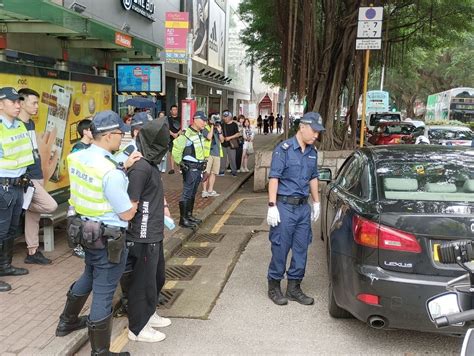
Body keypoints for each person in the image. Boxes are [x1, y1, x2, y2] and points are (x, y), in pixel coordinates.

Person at [55, 110, 140, 356]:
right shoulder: (110, 172)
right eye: (119, 135)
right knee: (103, 291)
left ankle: (67, 321)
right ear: (108, 136)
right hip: (108, 238)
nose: (121, 139)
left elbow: (96, 176)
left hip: (85, 231)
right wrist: (134, 200)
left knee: (89, 275)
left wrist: (123, 164)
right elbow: (126, 214)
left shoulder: (79, 157)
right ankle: (100, 351)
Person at [266, 112, 325, 306]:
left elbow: (313, 178)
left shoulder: (312, 152)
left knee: (301, 249)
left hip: (302, 208)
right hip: (284, 206)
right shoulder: (283, 150)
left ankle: (294, 287)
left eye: (318, 132)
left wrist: (316, 202)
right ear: (302, 127)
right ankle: (274, 286)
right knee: (281, 247)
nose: (316, 135)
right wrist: (272, 205)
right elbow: (274, 178)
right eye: (314, 131)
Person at [124, 118, 172, 343]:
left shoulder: (149, 164)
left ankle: (149, 313)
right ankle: (137, 328)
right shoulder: (141, 167)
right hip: (142, 234)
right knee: (142, 281)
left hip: (153, 230)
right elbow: (131, 204)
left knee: (156, 277)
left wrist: (163, 209)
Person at [0, 87, 34, 292]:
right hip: (2, 185)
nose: (17, 105)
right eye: (13, 101)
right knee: (0, 231)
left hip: (18, 185)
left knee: (11, 229)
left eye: (18, 101)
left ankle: (5, 266)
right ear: (1, 104)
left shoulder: (19, 126)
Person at [18, 88, 58, 265]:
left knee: (33, 217)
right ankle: (22, 206)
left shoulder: (31, 124)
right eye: (33, 103)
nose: (36, 107)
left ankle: (32, 252)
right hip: (26, 177)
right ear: (21, 103)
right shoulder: (13, 126)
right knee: (50, 205)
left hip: (37, 173)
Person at [172, 111, 208, 228]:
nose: (204, 123)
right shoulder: (186, 135)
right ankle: (183, 220)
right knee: (187, 193)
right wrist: (181, 164)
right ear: (195, 120)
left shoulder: (199, 133)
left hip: (198, 168)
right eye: (202, 120)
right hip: (190, 167)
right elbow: (176, 150)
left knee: (192, 193)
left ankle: (189, 215)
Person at [202, 113, 224, 197]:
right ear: (209, 120)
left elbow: (222, 140)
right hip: (208, 154)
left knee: (214, 173)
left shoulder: (218, 128)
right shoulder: (205, 128)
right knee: (206, 172)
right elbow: (209, 137)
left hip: (217, 153)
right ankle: (204, 191)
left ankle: (210, 190)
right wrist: (211, 126)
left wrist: (220, 132)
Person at [220, 110, 240, 177]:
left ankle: (234, 171)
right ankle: (222, 171)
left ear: (230, 117)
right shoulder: (222, 125)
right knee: (223, 158)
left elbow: (238, 134)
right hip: (223, 144)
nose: (225, 118)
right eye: (224, 117)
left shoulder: (234, 124)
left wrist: (229, 137)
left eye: (226, 117)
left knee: (232, 158)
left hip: (232, 145)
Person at [167, 105, 182, 174]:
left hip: (180, 138)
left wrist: (178, 133)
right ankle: (172, 168)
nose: (175, 111)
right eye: (173, 109)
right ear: (170, 111)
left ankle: (181, 168)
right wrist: (173, 134)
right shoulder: (168, 119)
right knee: (172, 153)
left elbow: (183, 127)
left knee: (180, 152)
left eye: (176, 109)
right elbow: (166, 128)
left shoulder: (180, 118)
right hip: (171, 138)